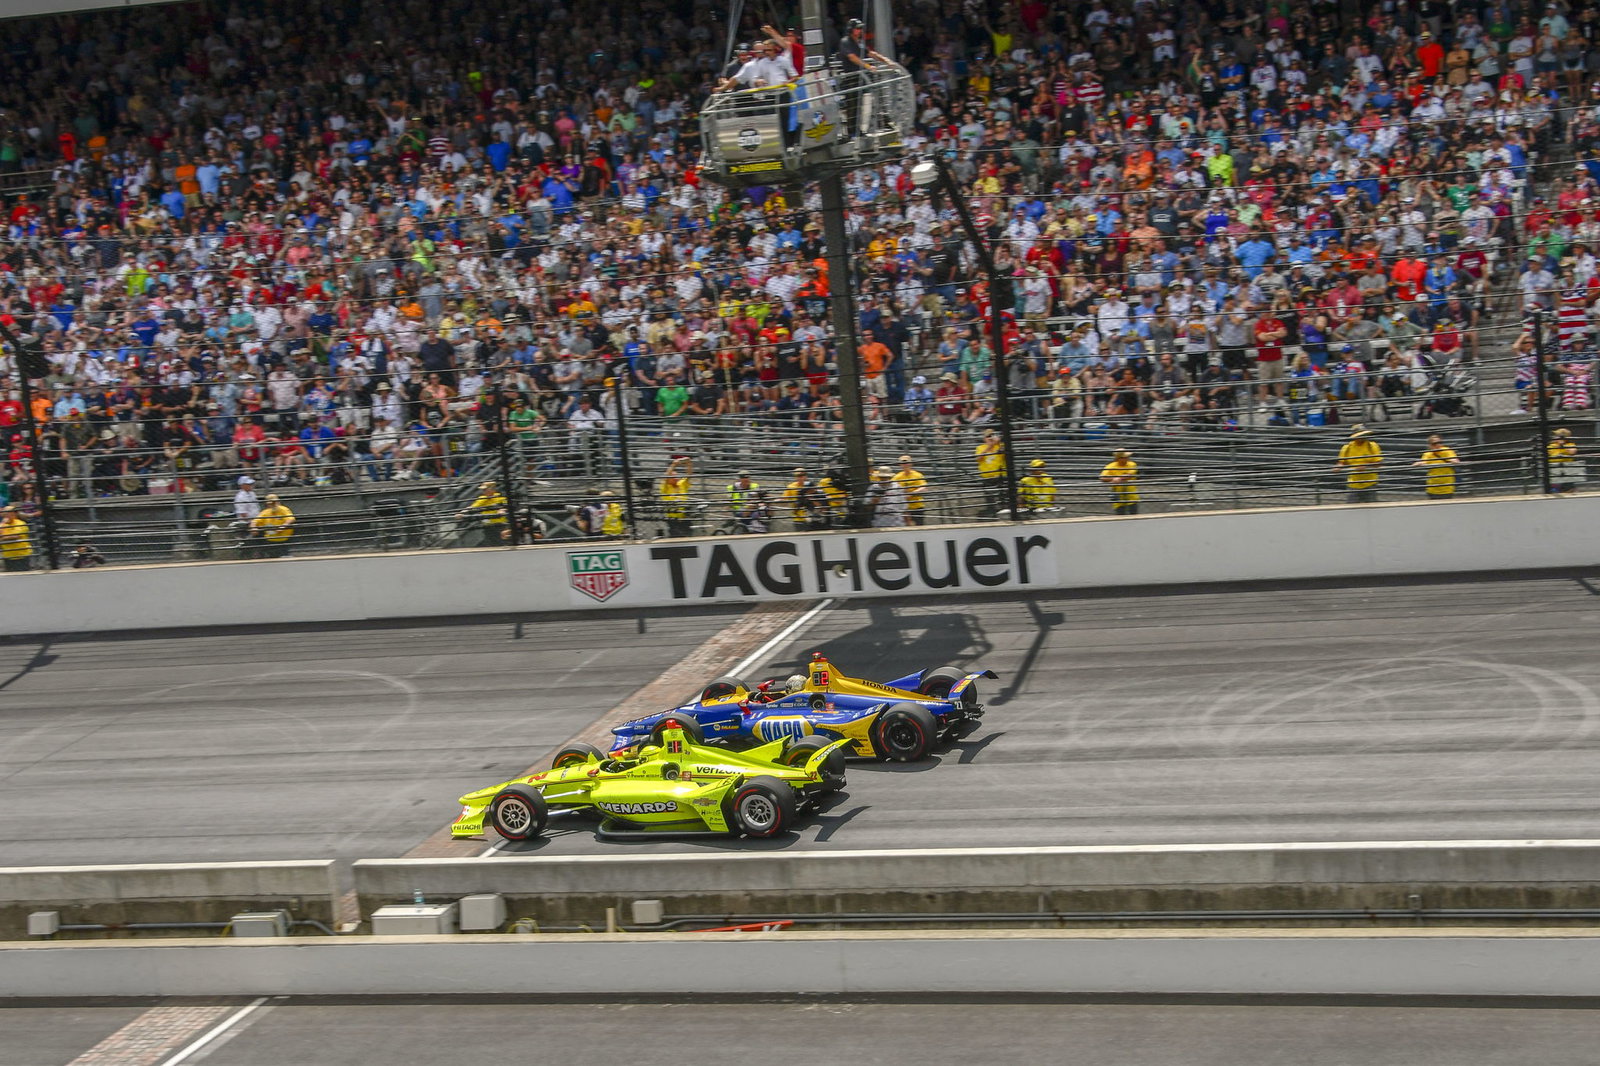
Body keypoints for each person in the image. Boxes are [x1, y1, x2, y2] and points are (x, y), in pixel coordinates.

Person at [1336, 426, 1384, 503]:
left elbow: (1378, 463)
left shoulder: (1372, 446)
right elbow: (1341, 462)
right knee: (1351, 507)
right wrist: (1338, 467)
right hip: (1353, 483)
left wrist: (1366, 466)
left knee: (1372, 506)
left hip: (1370, 482)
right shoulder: (1347, 448)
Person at [250, 493, 297, 558]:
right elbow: (255, 521)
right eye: (271, 503)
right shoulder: (265, 512)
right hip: (270, 540)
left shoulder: (283, 509)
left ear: (278, 502)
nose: (273, 505)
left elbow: (291, 519)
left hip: (283, 540)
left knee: (285, 557)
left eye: (274, 502)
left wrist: (282, 527)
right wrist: (253, 528)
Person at [973, 429, 1007, 514]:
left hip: (999, 475)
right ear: (984, 438)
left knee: (1003, 495)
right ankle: (992, 512)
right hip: (987, 477)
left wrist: (998, 443)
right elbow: (978, 458)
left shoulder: (1000, 446)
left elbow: (1005, 454)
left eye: (992, 435)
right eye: (988, 436)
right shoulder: (980, 448)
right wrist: (990, 446)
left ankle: (1003, 510)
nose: (990, 438)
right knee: (989, 497)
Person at [661, 455, 693, 538]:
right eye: (673, 477)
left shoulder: (681, 483)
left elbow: (689, 475)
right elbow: (666, 477)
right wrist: (673, 465)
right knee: (675, 535)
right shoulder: (666, 487)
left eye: (676, 476)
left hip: (684, 516)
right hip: (672, 518)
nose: (676, 478)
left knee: (687, 535)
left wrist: (689, 463)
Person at [1099, 450, 1140, 515]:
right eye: (1125, 457)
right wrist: (1113, 479)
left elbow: (1129, 475)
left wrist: (1118, 478)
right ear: (1118, 458)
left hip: (1131, 496)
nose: (1127, 458)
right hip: (1119, 496)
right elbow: (1102, 478)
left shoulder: (1132, 464)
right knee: (1120, 515)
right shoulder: (1111, 466)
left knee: (1134, 515)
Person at [891, 455, 927, 526]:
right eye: (903, 463)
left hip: (917, 506)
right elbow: (891, 488)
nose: (905, 465)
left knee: (919, 527)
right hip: (903, 508)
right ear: (900, 465)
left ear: (911, 463)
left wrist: (911, 494)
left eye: (906, 463)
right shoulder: (897, 477)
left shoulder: (917, 475)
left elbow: (923, 488)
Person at [0, 504, 31, 572]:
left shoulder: (20, 523)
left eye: (8, 512)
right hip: (8, 556)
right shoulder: (2, 525)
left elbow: (16, 536)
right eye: (4, 513)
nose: (6, 515)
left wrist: (3, 538)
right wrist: (2, 524)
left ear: (14, 513)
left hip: (21, 555)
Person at [1548, 427, 1579, 493]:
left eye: (1557, 436)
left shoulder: (1570, 444)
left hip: (1566, 469)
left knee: (1568, 487)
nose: (1555, 437)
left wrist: (1562, 445)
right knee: (1554, 487)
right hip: (1554, 469)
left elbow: (1573, 452)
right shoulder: (1552, 445)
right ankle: (1556, 490)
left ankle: (1569, 490)